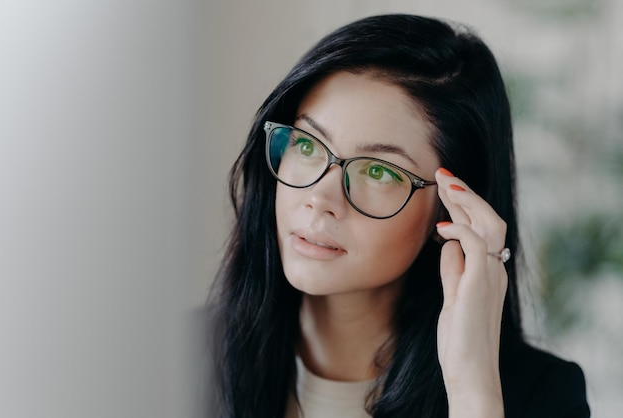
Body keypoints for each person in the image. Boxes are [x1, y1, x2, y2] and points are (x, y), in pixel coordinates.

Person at [205, 14, 590, 418]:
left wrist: (472, 391)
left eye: (377, 171)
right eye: (306, 144)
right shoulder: (176, 358)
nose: (320, 197)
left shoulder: (540, 395)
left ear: (451, 210)